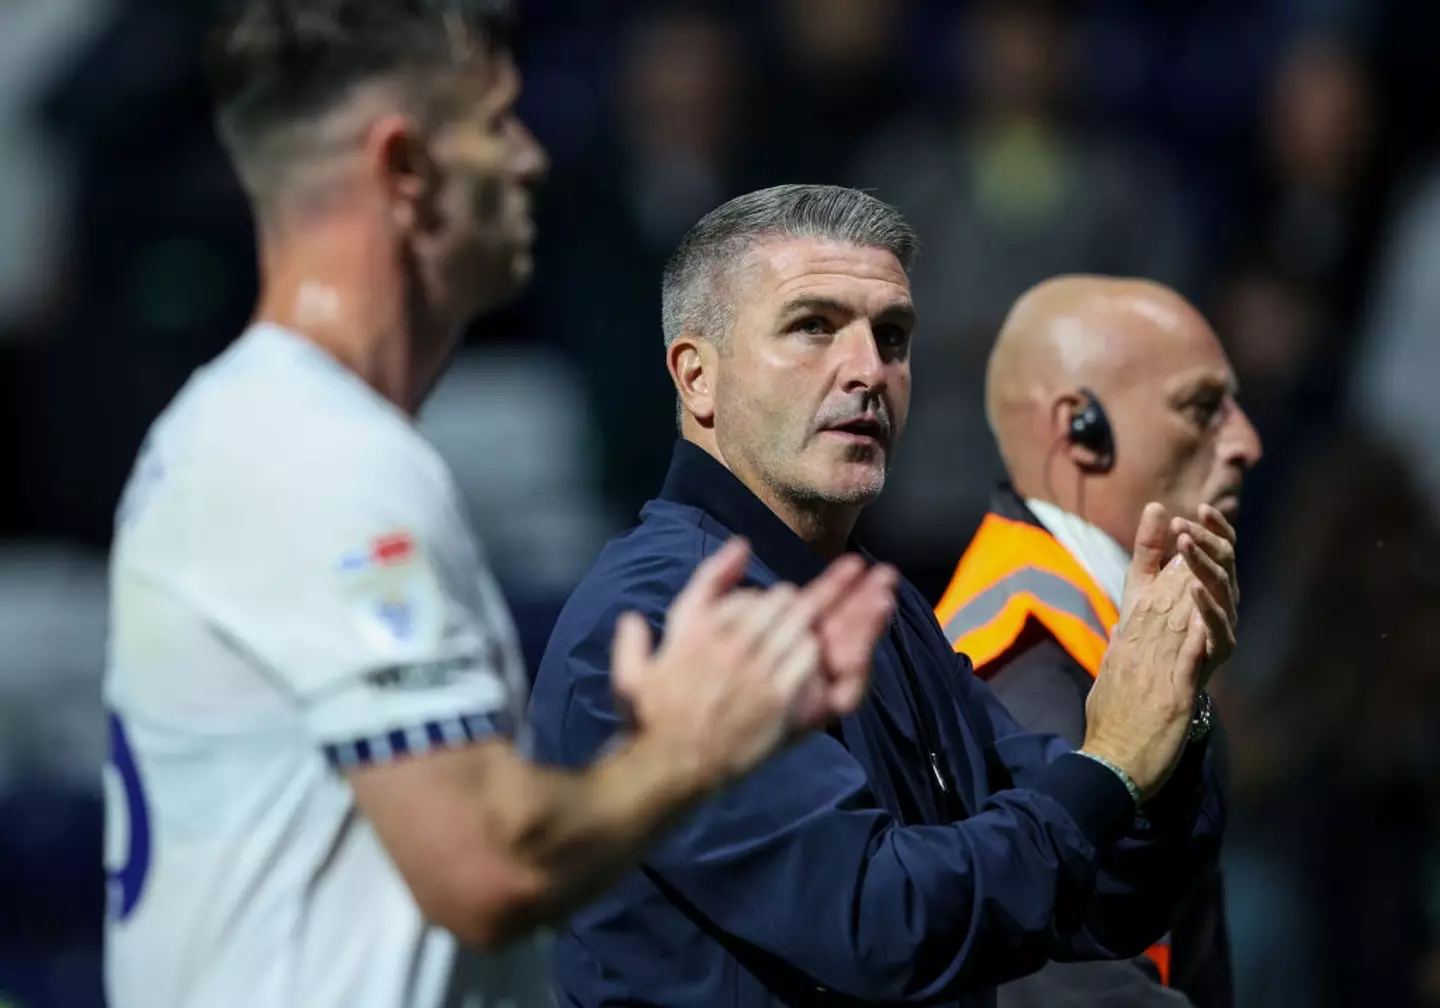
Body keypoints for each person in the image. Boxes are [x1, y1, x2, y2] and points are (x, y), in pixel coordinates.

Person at [102, 6, 897, 1008]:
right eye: (497, 123)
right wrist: (697, 744)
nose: (530, 160)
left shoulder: (266, 432)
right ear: (405, 167)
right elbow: (490, 866)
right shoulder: (313, 458)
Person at [528, 184, 1239, 1008]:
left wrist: (1168, 710)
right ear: (697, 378)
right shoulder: (658, 619)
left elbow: (1099, 896)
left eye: (892, 338)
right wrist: (1113, 765)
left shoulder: (884, 605)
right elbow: (881, 926)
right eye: (813, 327)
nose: (870, 371)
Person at [935, 277, 1263, 1007]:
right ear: (1079, 428)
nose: (1246, 441)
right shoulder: (1016, 655)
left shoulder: (1092, 616)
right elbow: (1061, 980)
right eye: (1202, 407)